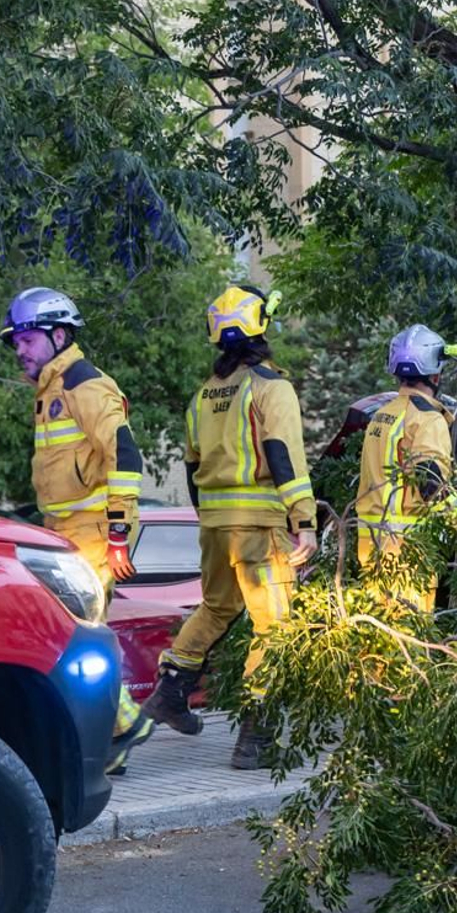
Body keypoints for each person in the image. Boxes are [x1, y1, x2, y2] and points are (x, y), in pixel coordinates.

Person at [139, 285, 317, 770]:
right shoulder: (270, 387)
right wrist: (304, 520)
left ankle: (171, 693)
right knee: (275, 630)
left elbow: (193, 466)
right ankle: (255, 739)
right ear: (262, 326)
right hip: (260, 527)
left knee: (216, 609)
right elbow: (282, 455)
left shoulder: (203, 396)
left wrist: (211, 520)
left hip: (215, 526)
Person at [0, 287, 153, 775]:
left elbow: (125, 456)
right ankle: (112, 742)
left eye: (27, 338)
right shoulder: (49, 394)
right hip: (63, 534)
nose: (19, 349)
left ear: (59, 335)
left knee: (74, 638)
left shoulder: (85, 385)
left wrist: (116, 532)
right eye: (16, 341)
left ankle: (125, 725)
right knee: (71, 637)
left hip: (91, 535)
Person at [355, 324, 457, 614]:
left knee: (379, 637)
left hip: (371, 542)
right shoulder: (427, 420)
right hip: (407, 547)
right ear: (436, 373)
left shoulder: (382, 414)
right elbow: (432, 484)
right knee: (409, 636)